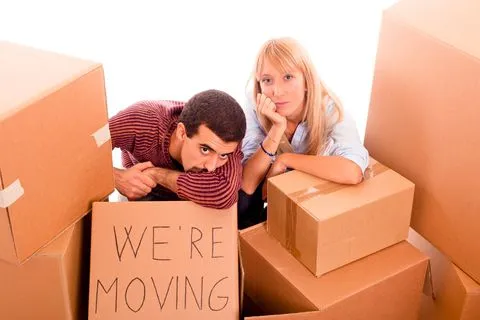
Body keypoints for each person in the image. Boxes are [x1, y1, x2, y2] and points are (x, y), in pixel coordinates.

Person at [239, 37, 369, 228]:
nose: (276, 91)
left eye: (288, 77)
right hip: (274, 191)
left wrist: (286, 160)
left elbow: (353, 171)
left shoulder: (329, 110)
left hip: (314, 191)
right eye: (267, 80)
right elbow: (248, 185)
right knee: (241, 203)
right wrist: (276, 130)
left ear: (307, 81)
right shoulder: (256, 105)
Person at [109, 89, 246, 210]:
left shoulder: (228, 138)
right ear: (181, 132)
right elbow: (88, 144)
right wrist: (116, 177)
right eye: (205, 149)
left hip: (195, 197)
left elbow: (224, 194)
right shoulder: (141, 120)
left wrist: (156, 174)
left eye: (222, 156)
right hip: (139, 187)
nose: (211, 167)